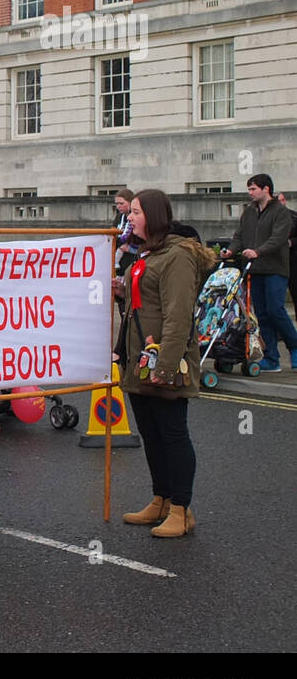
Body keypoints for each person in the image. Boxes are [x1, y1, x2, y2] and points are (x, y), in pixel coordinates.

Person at [116, 189, 215, 537]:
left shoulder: (178, 257)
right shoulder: (148, 253)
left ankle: (181, 509)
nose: (130, 216)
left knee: (173, 435)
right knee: (152, 435)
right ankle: (160, 499)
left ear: (155, 216)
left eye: (137, 212)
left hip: (163, 362)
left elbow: (177, 317)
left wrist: (165, 367)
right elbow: (143, 304)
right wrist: (121, 290)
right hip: (140, 360)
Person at [223, 173, 296, 371]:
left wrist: (258, 251)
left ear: (266, 189)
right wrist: (230, 249)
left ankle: (294, 346)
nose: (250, 193)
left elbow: (279, 238)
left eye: (253, 189)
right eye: (249, 189)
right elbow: (239, 236)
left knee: (276, 310)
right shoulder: (249, 212)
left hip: (275, 268)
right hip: (255, 270)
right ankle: (272, 358)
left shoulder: (281, 212)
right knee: (262, 315)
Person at [112, 188, 138, 275]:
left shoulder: (138, 217)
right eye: (117, 203)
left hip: (133, 259)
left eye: (121, 203)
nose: (118, 206)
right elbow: (113, 234)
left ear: (131, 202)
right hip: (120, 261)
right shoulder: (119, 217)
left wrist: (129, 249)